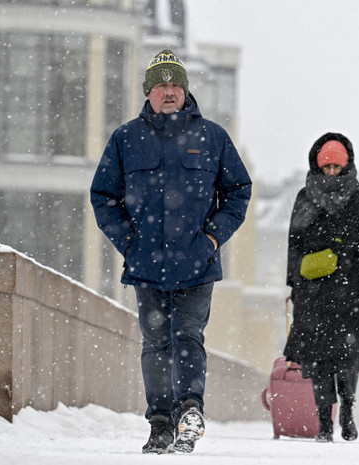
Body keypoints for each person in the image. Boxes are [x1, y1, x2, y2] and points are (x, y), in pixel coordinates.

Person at [90, 49, 252, 454]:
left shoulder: (212, 137)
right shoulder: (126, 138)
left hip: (198, 263)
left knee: (189, 336)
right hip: (146, 265)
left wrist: (213, 238)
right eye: (161, 85)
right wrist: (129, 243)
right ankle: (160, 422)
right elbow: (103, 196)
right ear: (148, 93)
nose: (169, 91)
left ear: (185, 91)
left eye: (175, 84)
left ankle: (190, 411)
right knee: (156, 342)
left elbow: (238, 191)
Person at [284, 133, 359, 442]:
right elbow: (294, 243)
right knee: (317, 359)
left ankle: (347, 409)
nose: (331, 171)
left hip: (350, 288)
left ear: (346, 165)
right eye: (326, 166)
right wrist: (293, 282)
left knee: (348, 356)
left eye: (336, 166)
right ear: (318, 165)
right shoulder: (304, 197)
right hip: (313, 290)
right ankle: (324, 422)